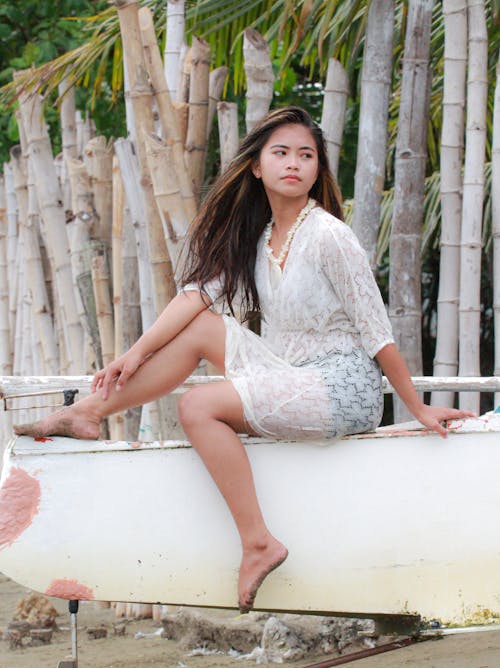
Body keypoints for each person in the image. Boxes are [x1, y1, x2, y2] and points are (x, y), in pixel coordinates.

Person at [14, 106, 474, 612]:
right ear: (257, 166)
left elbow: (377, 333)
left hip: (341, 388)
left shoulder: (330, 237)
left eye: (306, 155)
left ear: (318, 169)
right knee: (201, 328)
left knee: (198, 407)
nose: (294, 164)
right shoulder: (257, 241)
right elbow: (195, 296)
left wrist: (418, 409)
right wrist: (133, 352)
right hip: (290, 374)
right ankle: (90, 412)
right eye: (281, 153)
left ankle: (258, 542)